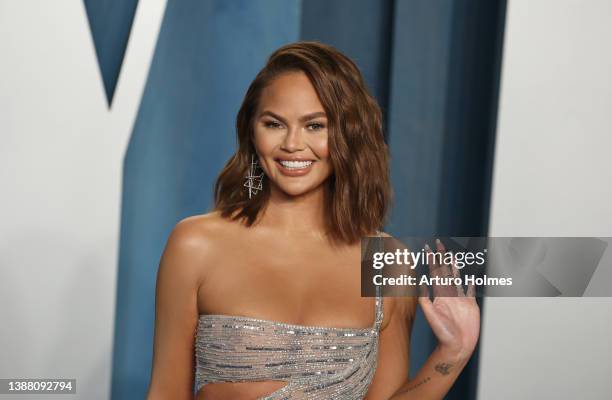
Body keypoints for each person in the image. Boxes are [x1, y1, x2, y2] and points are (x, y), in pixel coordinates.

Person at [146, 41, 480, 400]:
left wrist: (454, 352)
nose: (292, 144)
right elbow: (165, 393)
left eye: (315, 126)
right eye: (274, 124)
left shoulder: (386, 263)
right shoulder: (196, 244)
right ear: (251, 132)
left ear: (348, 135)